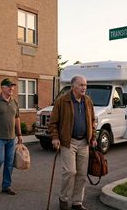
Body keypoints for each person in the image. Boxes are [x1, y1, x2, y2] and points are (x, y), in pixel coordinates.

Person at [48, 75, 97, 210]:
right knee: (70, 171)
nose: (84, 88)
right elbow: (53, 122)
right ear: (73, 86)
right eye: (81, 85)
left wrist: (93, 137)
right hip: (68, 141)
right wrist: (55, 137)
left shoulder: (87, 101)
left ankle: (77, 202)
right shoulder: (62, 101)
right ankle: (63, 199)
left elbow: (92, 121)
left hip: (84, 142)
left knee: (81, 174)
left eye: (85, 85)